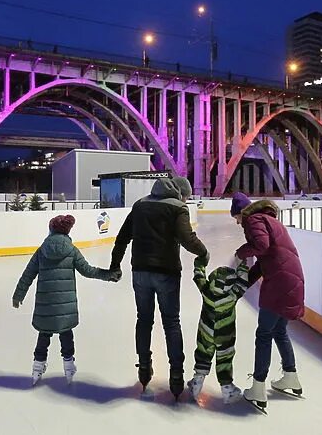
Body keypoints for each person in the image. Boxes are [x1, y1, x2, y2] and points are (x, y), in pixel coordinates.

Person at [110, 175, 208, 399]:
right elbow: (187, 238)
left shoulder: (140, 205)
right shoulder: (177, 208)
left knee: (144, 320)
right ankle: (176, 375)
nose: (186, 199)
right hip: (166, 273)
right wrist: (204, 252)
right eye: (186, 196)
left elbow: (122, 238)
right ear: (180, 192)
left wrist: (115, 265)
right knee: (171, 323)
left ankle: (144, 368)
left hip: (140, 271)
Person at [13, 215, 119, 385]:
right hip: (65, 307)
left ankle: (37, 367)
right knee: (66, 334)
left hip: (45, 305)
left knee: (44, 334)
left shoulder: (42, 250)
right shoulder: (71, 250)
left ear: (52, 230)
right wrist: (108, 275)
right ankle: (69, 367)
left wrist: (18, 295)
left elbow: (28, 274)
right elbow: (88, 270)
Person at [233, 196, 306, 412]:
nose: (238, 223)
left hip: (279, 284)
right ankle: (290, 376)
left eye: (236, 217)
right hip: (292, 280)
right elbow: (265, 260)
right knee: (279, 330)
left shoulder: (253, 220)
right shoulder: (269, 220)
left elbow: (261, 246)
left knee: (264, 333)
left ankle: (258, 386)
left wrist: (241, 252)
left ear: (242, 212)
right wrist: (243, 283)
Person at [186, 253, 252, 404]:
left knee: (203, 353)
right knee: (225, 360)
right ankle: (227, 388)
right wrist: (242, 264)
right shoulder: (232, 296)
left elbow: (198, 276)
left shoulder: (207, 291)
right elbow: (242, 281)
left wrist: (200, 262)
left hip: (206, 332)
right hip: (225, 336)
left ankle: (197, 383)